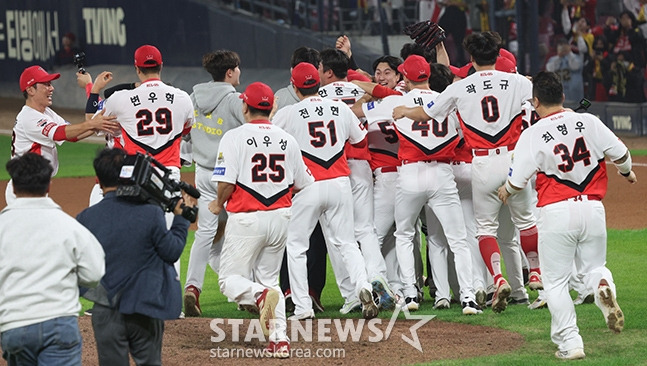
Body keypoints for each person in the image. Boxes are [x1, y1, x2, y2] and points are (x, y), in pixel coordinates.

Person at [393, 31, 541, 313]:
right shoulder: (518, 81)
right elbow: (539, 95)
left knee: (485, 228)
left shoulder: (461, 87)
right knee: (526, 222)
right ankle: (534, 272)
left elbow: (427, 114)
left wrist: (404, 111)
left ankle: (497, 279)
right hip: (512, 159)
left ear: (471, 59)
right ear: (498, 55)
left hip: (481, 163)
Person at [498, 71, 635, 360]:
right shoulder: (588, 121)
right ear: (562, 96)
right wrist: (627, 172)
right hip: (593, 209)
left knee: (556, 282)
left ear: (535, 101)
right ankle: (602, 285)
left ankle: (570, 343)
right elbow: (622, 154)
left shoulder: (532, 133)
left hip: (556, 212)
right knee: (595, 266)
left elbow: (518, 180)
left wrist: (506, 191)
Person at [208, 82, 314, 357]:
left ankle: (258, 296)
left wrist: (218, 203)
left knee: (229, 279)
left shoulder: (234, 137)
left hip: (247, 219)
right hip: (280, 218)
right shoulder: (287, 139)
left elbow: (227, 183)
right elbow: (302, 183)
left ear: (245, 106)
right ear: (272, 107)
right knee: (270, 280)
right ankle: (279, 340)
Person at [273, 62, 379, 320]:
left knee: (297, 247)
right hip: (340, 182)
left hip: (307, 184)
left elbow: (275, 145)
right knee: (347, 242)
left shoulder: (289, 112)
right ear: (318, 83)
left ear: (294, 84)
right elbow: (360, 140)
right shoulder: (341, 108)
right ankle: (363, 287)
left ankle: (303, 307)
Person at [77, 148, 195, 365]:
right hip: (145, 305)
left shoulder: (85, 218)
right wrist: (181, 220)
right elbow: (172, 252)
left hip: (105, 308)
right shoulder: (150, 213)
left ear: (97, 179)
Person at [0, 153, 105, 365]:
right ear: (49, 185)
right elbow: (94, 273)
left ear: (12, 187)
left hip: (14, 326)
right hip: (58, 323)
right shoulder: (69, 226)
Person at [101, 44, 194, 280]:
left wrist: (93, 93)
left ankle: (129, 289)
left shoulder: (120, 99)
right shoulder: (182, 98)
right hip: (169, 176)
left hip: (134, 176)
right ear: (161, 66)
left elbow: (95, 124)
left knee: (130, 234)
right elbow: (185, 130)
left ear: (137, 68)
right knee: (171, 235)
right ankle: (173, 303)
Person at [317, 49, 394, 312]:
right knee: (366, 229)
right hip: (362, 165)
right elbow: (387, 95)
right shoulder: (360, 90)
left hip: (333, 169)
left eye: (320, 67)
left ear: (328, 71)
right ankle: (377, 277)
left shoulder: (317, 98)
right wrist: (362, 84)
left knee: (338, 235)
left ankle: (352, 293)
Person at [184, 50, 245, 317]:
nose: (239, 72)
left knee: (205, 235)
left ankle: (192, 289)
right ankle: (247, 292)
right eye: (237, 68)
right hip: (230, 176)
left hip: (203, 172)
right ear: (229, 72)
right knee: (243, 233)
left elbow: (185, 130)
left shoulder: (193, 97)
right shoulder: (234, 101)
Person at [5, 65, 119, 205]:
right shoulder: (28, 117)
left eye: (50, 84)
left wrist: (100, 124)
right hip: (23, 188)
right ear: (30, 90)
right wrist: (92, 124)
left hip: (33, 184)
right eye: (46, 84)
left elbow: (73, 135)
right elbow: (59, 133)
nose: (51, 88)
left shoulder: (46, 112)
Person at [273, 46, 329, 314]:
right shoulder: (327, 98)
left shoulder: (280, 98)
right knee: (318, 240)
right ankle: (312, 292)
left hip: (288, 181)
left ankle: (288, 291)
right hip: (326, 178)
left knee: (290, 240)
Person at [545, 38, 584, 103]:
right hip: (559, 93)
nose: (563, 49)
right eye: (560, 46)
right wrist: (559, 57)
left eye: (564, 46)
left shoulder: (576, 58)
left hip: (574, 93)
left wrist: (569, 53)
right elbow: (550, 69)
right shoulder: (553, 60)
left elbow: (575, 67)